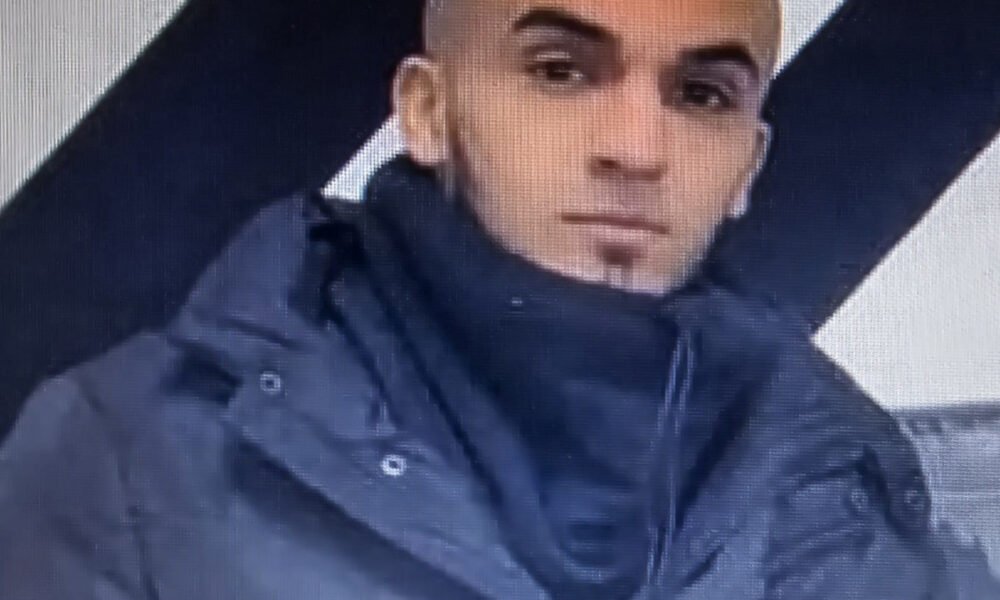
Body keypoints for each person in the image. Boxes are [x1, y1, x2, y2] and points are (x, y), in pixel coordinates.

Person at [0, 0, 989, 598]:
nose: (637, 150)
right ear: (426, 112)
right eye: (560, 70)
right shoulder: (127, 459)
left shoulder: (844, 482)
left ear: (749, 164)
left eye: (701, 95)